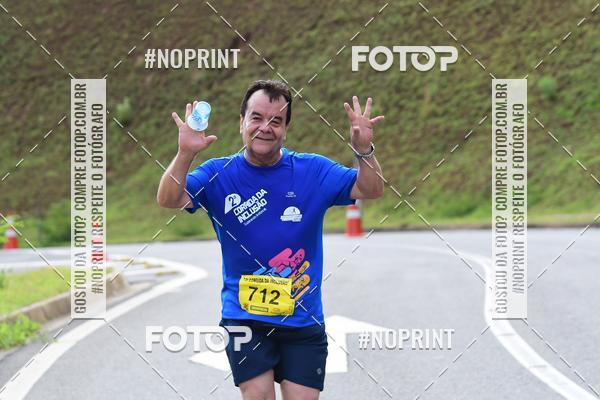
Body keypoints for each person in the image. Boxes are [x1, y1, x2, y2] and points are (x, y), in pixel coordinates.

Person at [156, 80, 385, 400]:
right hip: (244, 317)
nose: (265, 127)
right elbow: (168, 198)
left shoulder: (312, 170)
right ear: (242, 122)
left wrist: (363, 151)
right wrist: (184, 154)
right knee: (258, 394)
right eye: (257, 117)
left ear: (286, 129)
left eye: (276, 120)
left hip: (302, 318)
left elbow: (371, 189)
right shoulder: (218, 174)